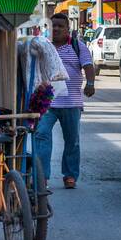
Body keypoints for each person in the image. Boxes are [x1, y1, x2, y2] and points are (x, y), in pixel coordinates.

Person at [34, 12, 95, 190]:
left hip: (71, 103)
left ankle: (69, 175)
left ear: (68, 29)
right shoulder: (43, 47)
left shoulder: (78, 46)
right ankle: (42, 176)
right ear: (48, 28)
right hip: (47, 103)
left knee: (72, 141)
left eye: (61, 26)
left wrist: (90, 83)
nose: (57, 29)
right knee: (41, 135)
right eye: (54, 25)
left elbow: (88, 66)